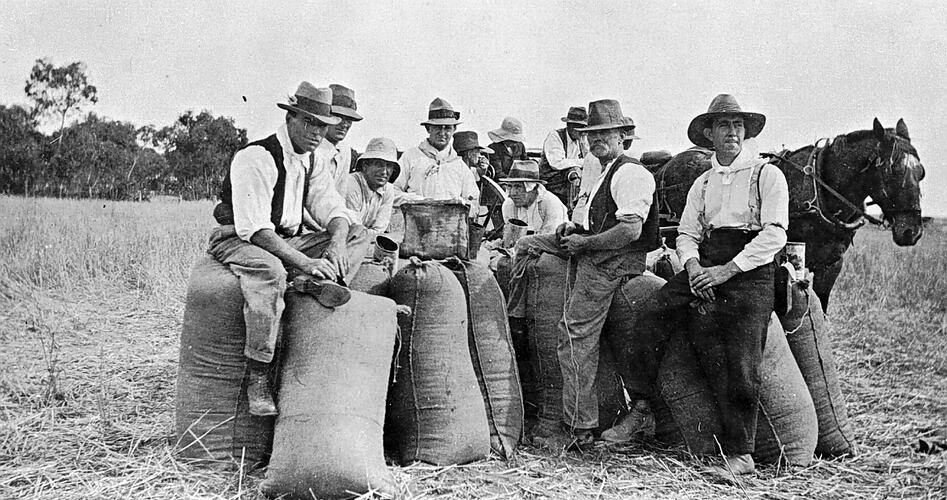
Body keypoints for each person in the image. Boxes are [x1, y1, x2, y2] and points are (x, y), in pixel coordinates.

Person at [606, 94, 789, 479]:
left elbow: (774, 235)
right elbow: (687, 233)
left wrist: (725, 272)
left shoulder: (766, 175)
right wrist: (692, 268)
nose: (732, 133)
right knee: (652, 314)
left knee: (740, 354)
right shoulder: (703, 182)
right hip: (704, 265)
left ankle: (741, 454)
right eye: (724, 125)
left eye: (738, 126)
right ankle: (640, 406)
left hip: (751, 270)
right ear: (709, 133)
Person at [208, 82, 368, 417]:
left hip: (288, 239)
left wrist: (336, 241)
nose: (316, 132)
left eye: (322, 125)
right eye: (309, 122)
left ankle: (310, 284)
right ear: (290, 117)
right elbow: (256, 229)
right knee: (270, 272)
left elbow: (332, 208)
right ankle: (259, 375)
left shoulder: (312, 161)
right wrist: (306, 262)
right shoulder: (256, 157)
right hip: (241, 238)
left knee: (357, 233)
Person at [506, 99, 660, 447]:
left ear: (623, 135)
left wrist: (585, 246)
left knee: (573, 334)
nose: (597, 140)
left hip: (613, 258)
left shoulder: (632, 173)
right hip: (590, 244)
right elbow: (589, 217)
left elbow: (629, 232)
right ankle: (516, 314)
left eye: (605, 133)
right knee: (528, 246)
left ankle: (580, 428)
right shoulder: (597, 169)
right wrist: (570, 230)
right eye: (591, 135)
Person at [393, 98, 480, 216]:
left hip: (450, 228)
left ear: (454, 130)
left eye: (447, 128)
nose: (442, 133)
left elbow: (473, 201)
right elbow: (392, 191)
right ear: (428, 128)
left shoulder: (459, 166)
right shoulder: (411, 157)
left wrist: (461, 204)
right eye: (438, 127)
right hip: (416, 226)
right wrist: (418, 201)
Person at [573, 116, 640, 224]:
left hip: (585, 205)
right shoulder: (624, 162)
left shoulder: (592, 155)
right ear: (622, 139)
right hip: (594, 208)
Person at [341, 137, 399, 238]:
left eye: (389, 166)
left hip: (362, 241)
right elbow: (353, 230)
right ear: (365, 166)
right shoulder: (351, 184)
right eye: (378, 164)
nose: (384, 172)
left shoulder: (388, 189)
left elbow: (380, 228)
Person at [312, 83, 363, 192]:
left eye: (349, 119)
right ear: (326, 116)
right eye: (338, 117)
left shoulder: (344, 150)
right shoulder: (311, 146)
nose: (344, 124)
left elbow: (341, 192)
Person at [499, 159, 568, 236]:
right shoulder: (509, 205)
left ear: (533, 188)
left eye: (518, 187)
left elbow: (551, 239)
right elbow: (511, 236)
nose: (512, 193)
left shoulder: (550, 204)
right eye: (510, 186)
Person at [538, 106, 589, 209]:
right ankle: (571, 208)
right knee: (574, 172)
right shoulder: (555, 136)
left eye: (584, 128)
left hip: (571, 181)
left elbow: (589, 158)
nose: (584, 132)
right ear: (570, 126)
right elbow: (556, 164)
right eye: (580, 127)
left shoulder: (582, 140)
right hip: (550, 181)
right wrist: (584, 162)